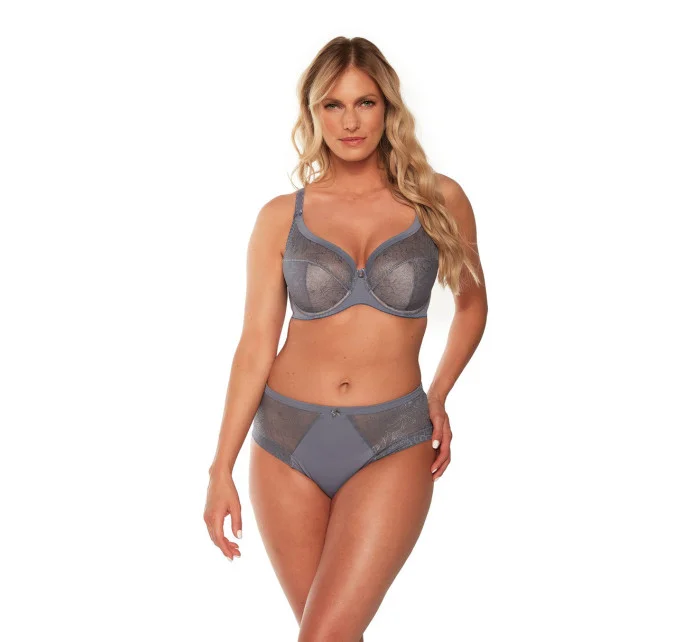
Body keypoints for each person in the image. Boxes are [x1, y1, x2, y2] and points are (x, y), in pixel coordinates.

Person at [204, 36, 488, 641]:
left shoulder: (439, 200)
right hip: (286, 440)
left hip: (393, 437)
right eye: (332, 105)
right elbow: (255, 344)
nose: (350, 122)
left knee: (325, 634)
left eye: (365, 103)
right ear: (312, 113)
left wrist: (438, 393)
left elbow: (471, 306)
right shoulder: (281, 216)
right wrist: (219, 468)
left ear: (388, 108)